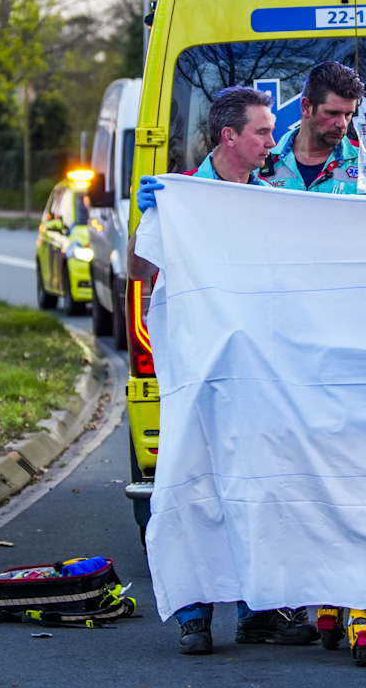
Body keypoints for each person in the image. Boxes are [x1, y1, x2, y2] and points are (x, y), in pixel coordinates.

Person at [130, 86, 318, 657]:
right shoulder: (185, 200)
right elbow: (142, 271)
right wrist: (153, 216)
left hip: (255, 373)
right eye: (262, 131)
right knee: (192, 484)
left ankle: (258, 608)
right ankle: (193, 612)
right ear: (229, 136)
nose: (272, 140)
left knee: (257, 486)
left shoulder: (267, 198)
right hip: (199, 370)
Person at [259, 60, 366, 193]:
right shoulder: (260, 162)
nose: (342, 124)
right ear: (306, 107)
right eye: (333, 113)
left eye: (348, 114)